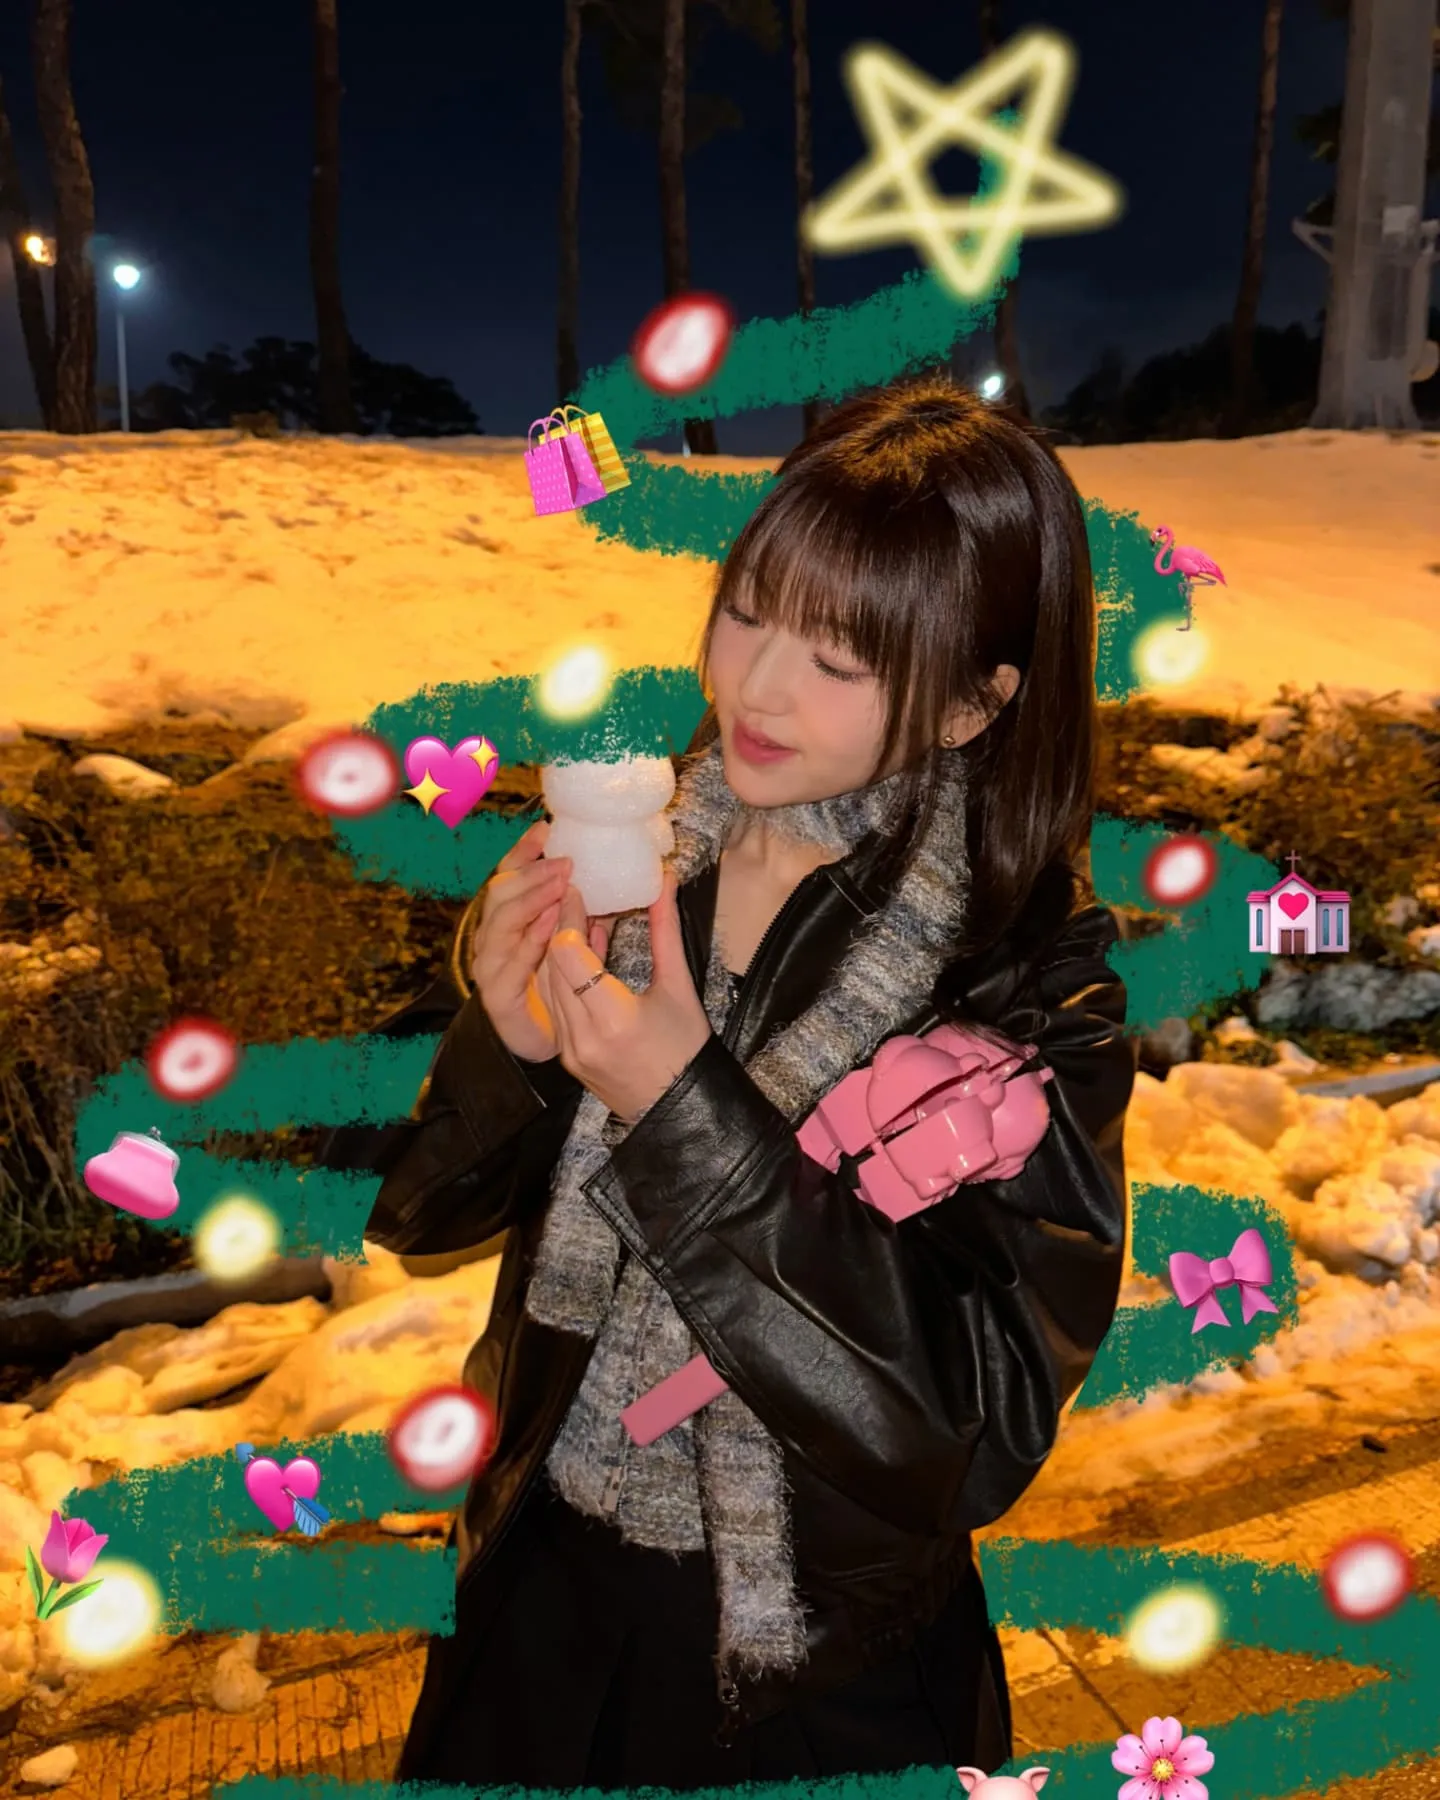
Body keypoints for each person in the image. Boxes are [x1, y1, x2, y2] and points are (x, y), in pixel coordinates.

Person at [332, 374, 1134, 1791]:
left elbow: (977, 1426)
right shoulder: (635, 860)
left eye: (841, 659)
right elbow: (410, 1216)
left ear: (969, 703)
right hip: (535, 1587)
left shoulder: (1027, 984)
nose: (756, 688)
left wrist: (686, 1110)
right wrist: (506, 1044)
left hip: (811, 1675)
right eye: (750, 613)